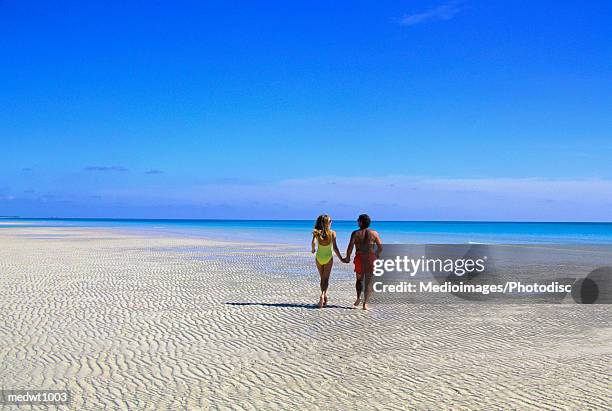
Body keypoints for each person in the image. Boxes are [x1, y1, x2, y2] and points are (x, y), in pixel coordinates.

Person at [343, 214, 382, 310]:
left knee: (359, 280)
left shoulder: (355, 233)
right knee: (368, 282)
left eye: (358, 220)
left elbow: (350, 247)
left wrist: (348, 257)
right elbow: (380, 247)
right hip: (370, 257)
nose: (357, 222)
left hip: (360, 257)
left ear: (361, 222)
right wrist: (376, 255)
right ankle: (365, 303)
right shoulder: (374, 233)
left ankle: (358, 298)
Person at [311, 214, 344, 308]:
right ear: (327, 223)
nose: (331, 222)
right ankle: (323, 294)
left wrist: (313, 249)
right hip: (328, 258)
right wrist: (341, 259)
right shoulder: (333, 233)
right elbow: (335, 248)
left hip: (319, 258)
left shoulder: (317, 232)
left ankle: (323, 296)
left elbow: (313, 242)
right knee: (326, 279)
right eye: (330, 221)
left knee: (322, 278)